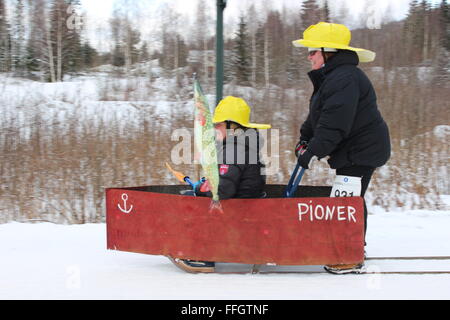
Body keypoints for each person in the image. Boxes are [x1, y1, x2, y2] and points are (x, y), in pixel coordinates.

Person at [292, 22, 391, 274]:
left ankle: (350, 254)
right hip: (355, 148)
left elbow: (335, 123)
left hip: (363, 149)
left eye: (313, 51)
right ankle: (352, 247)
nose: (309, 56)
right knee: (349, 199)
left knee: (346, 202)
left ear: (328, 52)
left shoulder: (344, 78)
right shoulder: (334, 77)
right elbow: (319, 117)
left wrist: (313, 151)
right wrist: (305, 139)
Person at [175, 96, 271, 273]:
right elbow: (227, 178)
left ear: (232, 126)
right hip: (246, 205)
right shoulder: (242, 146)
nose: (214, 129)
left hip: (237, 212)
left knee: (190, 199)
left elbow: (222, 190)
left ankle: (203, 256)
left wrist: (200, 188)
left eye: (218, 125)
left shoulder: (234, 150)